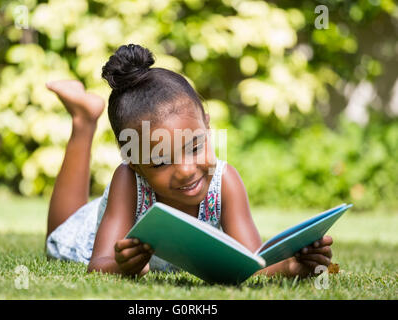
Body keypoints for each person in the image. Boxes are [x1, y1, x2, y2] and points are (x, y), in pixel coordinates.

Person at [45, 44, 334, 278]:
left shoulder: (225, 181)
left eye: (194, 147)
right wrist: (122, 266)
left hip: (112, 214)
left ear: (207, 127)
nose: (185, 171)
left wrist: (293, 265)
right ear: (133, 161)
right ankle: (83, 121)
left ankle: (85, 116)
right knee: (58, 233)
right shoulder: (128, 180)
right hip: (90, 232)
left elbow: (251, 263)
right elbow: (99, 265)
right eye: (160, 162)